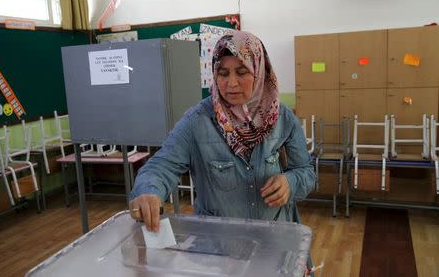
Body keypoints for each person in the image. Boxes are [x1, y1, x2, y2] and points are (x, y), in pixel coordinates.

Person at [129, 30, 316, 233]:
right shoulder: (197, 122)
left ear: (259, 71)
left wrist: (290, 182)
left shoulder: (281, 117)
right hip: (219, 249)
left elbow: (306, 172)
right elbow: (161, 165)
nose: (231, 83)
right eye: (223, 73)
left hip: (274, 240)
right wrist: (149, 191)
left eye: (242, 72)